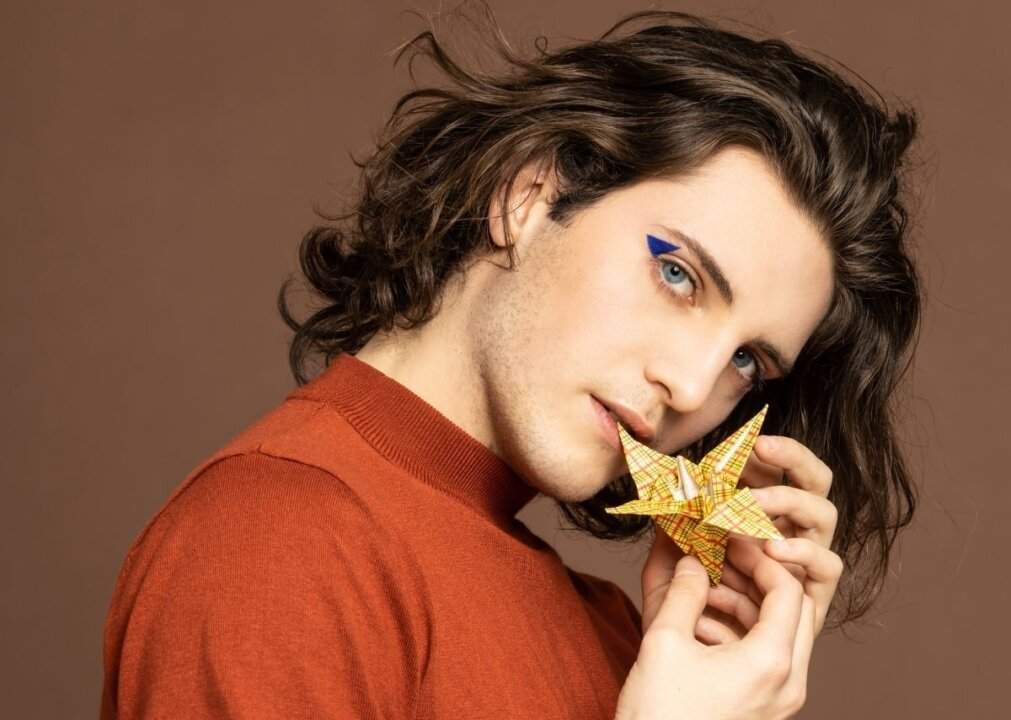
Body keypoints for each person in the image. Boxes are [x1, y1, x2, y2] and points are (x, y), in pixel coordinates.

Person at [100, 5, 922, 719]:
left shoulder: (621, 643)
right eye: (677, 275)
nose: (691, 385)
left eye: (746, 361)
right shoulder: (277, 539)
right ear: (526, 196)